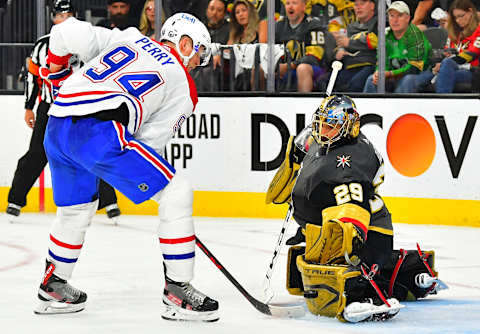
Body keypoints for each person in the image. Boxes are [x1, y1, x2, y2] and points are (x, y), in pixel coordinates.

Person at [33, 12, 219, 322]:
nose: (198, 61)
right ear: (184, 44)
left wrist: (57, 69)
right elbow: (151, 142)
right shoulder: (184, 86)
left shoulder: (130, 36)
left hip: (57, 124)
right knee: (175, 192)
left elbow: (63, 30)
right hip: (97, 133)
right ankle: (178, 289)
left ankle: (53, 285)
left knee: (76, 210)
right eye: (199, 51)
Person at [265, 94, 447, 322]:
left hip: (368, 232)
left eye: (330, 126)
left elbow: (352, 211)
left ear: (348, 126)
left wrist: (348, 250)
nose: (322, 131)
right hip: (329, 224)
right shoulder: (320, 144)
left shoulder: (357, 155)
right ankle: (406, 272)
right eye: (320, 124)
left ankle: (369, 290)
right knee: (310, 262)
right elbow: (277, 195)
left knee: (347, 264)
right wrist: (291, 162)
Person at [6, 0, 121, 222]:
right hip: (50, 108)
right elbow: (33, 78)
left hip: (82, 107)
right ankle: (16, 199)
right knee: (37, 152)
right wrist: (29, 107)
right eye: (59, 16)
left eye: (68, 15)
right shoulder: (42, 45)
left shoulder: (87, 41)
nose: (64, 20)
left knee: (94, 152)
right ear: (53, 19)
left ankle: (109, 201)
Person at [363, 1, 432, 93]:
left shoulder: (416, 36)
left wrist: (390, 74)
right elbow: (382, 62)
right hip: (396, 74)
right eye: (392, 16)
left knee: (407, 80)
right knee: (372, 79)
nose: (395, 20)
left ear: (407, 18)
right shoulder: (386, 36)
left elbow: (414, 69)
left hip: (422, 73)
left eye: (399, 16)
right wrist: (378, 73)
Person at [275, 0, 331, 92]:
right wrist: (276, 66)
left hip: (315, 68)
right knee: (261, 69)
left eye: (294, 3)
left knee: (302, 68)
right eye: (288, 3)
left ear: (304, 7)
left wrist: (292, 65)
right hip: (287, 68)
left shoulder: (314, 24)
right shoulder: (279, 26)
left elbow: (315, 55)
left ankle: (303, 104)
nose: (290, 7)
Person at [432, 0, 480, 92]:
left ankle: (441, 102)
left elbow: (471, 54)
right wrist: (438, 65)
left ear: (470, 12)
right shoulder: (453, 33)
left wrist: (445, 63)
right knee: (411, 79)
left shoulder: (479, 30)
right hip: (449, 69)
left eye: (461, 16)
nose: (458, 21)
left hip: (472, 71)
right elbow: (445, 54)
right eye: (455, 18)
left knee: (447, 66)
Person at [334, 0, 377, 92]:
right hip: (349, 66)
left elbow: (376, 41)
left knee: (355, 84)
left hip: (369, 64)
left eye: (362, 3)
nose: (358, 7)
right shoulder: (350, 27)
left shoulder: (379, 22)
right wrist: (340, 51)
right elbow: (340, 46)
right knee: (326, 82)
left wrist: (350, 43)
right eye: (356, 4)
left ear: (372, 6)